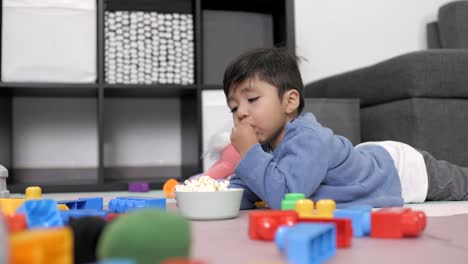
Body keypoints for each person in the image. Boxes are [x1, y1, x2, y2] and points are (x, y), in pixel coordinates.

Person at [224, 47, 468, 210]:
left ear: (290, 101)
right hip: (372, 159)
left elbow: (287, 197)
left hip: (402, 171)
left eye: (252, 99)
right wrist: (215, 197)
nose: (242, 112)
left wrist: (250, 153)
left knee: (461, 184)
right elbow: (247, 189)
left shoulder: (307, 138)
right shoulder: (264, 149)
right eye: (234, 108)